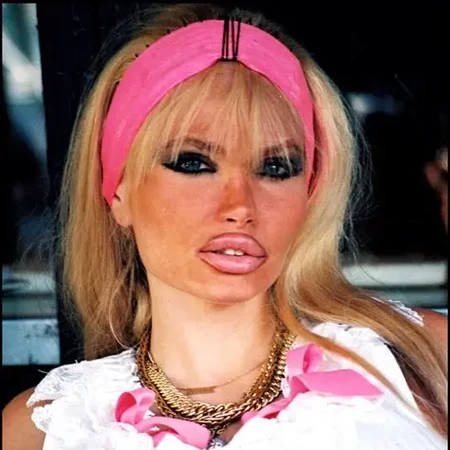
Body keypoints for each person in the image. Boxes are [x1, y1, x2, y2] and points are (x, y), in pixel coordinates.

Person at [2, 4, 448, 449]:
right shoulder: (47, 429)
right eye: (193, 163)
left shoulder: (423, 362)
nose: (240, 206)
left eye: (276, 168)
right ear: (119, 191)